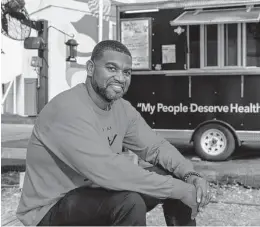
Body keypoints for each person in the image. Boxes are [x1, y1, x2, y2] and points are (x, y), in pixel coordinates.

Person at [16, 40, 211, 226]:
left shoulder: (121, 108)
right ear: (90, 68)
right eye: (111, 68)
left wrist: (190, 175)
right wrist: (179, 190)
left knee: (175, 176)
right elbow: (107, 170)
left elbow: (155, 147)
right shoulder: (68, 109)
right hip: (49, 208)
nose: (120, 77)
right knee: (129, 202)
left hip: (95, 190)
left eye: (127, 72)